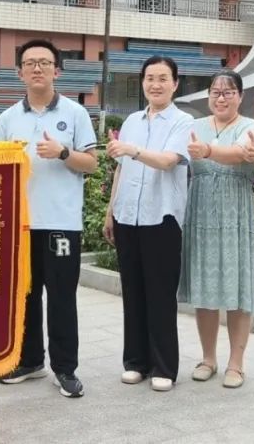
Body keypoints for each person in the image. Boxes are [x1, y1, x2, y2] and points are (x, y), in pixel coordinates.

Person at [0, 38, 97, 398]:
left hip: (61, 224)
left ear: (57, 71)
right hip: (20, 224)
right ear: (19, 72)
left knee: (62, 297)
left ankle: (65, 368)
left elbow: (91, 163)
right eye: (30, 63)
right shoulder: (8, 118)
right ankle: (30, 360)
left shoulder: (75, 113)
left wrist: (63, 152)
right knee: (25, 294)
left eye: (45, 63)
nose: (37, 68)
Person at [103, 56, 193, 392]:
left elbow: (169, 161)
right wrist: (111, 210)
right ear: (142, 82)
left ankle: (164, 366)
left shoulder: (183, 122)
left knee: (160, 294)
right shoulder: (132, 121)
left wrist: (133, 150)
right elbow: (121, 168)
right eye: (150, 78)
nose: (156, 84)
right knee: (133, 292)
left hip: (162, 217)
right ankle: (135, 362)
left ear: (175, 84)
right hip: (128, 215)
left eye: (163, 78)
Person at [180, 69, 254, 390]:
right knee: (205, 285)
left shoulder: (251, 126)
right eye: (215, 92)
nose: (221, 98)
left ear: (240, 96)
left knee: (238, 287)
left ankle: (236, 364)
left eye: (228, 92)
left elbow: (241, 153)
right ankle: (208, 359)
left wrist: (208, 151)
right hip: (201, 210)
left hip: (235, 212)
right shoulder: (194, 126)